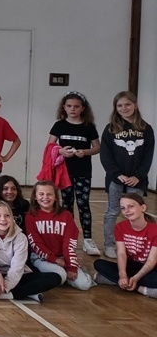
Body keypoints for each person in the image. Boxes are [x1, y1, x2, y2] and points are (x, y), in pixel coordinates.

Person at [101, 91, 154, 259]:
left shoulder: (145, 128)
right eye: (120, 105)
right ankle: (110, 244)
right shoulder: (110, 129)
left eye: (127, 104)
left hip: (137, 180)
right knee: (113, 211)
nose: (124, 108)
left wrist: (139, 176)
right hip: (116, 180)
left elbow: (148, 156)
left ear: (135, 106)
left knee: (135, 212)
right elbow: (105, 155)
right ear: (115, 108)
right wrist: (117, 174)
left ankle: (135, 245)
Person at [47, 91, 100, 254]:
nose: (73, 109)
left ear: (83, 108)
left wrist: (85, 152)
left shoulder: (88, 126)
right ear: (64, 107)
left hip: (83, 171)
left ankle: (88, 240)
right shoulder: (59, 125)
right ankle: (67, 237)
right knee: (67, 204)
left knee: (83, 203)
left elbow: (97, 147)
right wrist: (60, 151)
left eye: (76, 106)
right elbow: (50, 145)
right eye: (69, 106)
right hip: (64, 171)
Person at [0, 200, 62, 302]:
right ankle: (29, 292)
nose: (3, 219)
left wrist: (5, 286)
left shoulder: (20, 237)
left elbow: (17, 267)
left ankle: (11, 294)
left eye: (7, 215)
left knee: (55, 278)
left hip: (17, 274)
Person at [26, 180, 93, 290]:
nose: (45, 197)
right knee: (60, 275)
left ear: (55, 197)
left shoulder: (66, 215)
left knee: (84, 285)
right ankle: (61, 275)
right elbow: (35, 243)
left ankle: (80, 272)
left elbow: (69, 244)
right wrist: (54, 259)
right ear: (35, 197)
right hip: (41, 258)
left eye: (49, 194)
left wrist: (71, 267)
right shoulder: (30, 216)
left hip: (63, 257)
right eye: (41, 194)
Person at [93, 192, 157, 298]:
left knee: (154, 279)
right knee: (99, 264)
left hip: (151, 268)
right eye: (123, 208)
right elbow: (121, 253)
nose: (126, 211)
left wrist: (136, 278)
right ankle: (137, 286)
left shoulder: (155, 230)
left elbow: (151, 261)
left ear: (143, 208)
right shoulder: (120, 227)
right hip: (132, 265)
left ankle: (129, 285)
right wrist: (122, 275)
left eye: (131, 206)